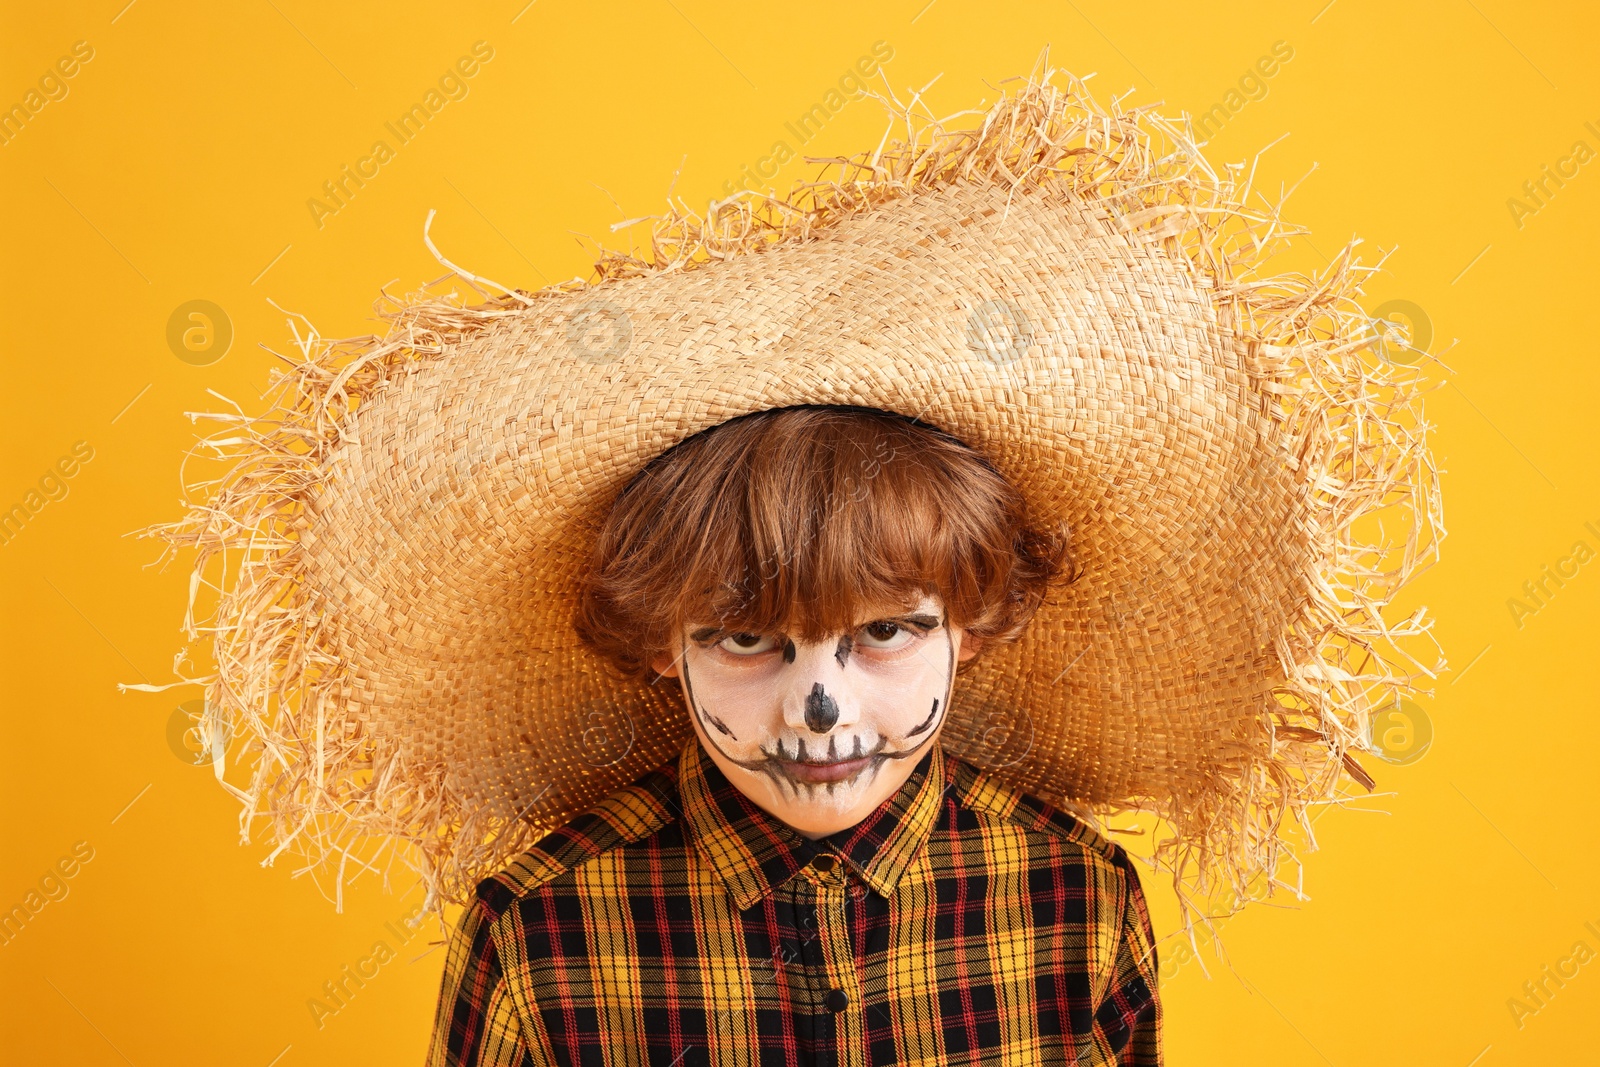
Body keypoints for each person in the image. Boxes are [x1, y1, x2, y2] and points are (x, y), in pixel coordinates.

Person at [427, 404, 1162, 1065]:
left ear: (968, 624)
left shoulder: (1082, 899)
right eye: (746, 638)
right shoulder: (533, 934)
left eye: (883, 630)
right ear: (663, 641)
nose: (821, 709)